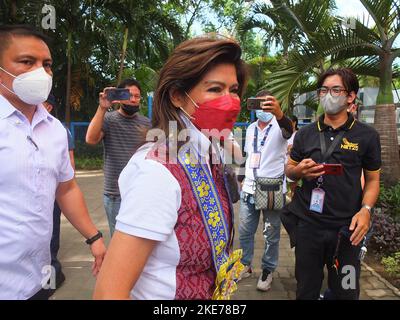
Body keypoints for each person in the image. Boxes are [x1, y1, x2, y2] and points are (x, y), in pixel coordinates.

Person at [93, 35, 248, 300]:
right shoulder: (156, 172)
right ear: (177, 96)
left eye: (233, 90)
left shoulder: (208, 153)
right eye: (214, 89)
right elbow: (109, 292)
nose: (230, 100)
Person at [0, 25, 106, 300]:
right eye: (27, 62)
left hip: (37, 280)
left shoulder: (55, 130)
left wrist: (94, 238)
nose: (41, 72)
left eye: (46, 64)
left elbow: (66, 189)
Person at [284, 68, 381, 300]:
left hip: (347, 232)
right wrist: (298, 171)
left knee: (346, 291)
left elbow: (373, 179)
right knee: (306, 290)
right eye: (324, 90)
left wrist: (366, 211)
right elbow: (289, 171)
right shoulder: (305, 134)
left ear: (351, 96)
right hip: (309, 227)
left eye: (336, 89)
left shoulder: (366, 136)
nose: (329, 95)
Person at [237, 90, 293, 291]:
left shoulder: (281, 126)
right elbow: (248, 154)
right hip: (249, 189)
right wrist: (241, 178)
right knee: (244, 232)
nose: (263, 108)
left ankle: (268, 270)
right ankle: (245, 265)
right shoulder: (251, 128)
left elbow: (288, 129)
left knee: (271, 233)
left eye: (267, 104)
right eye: (259, 104)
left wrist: (279, 114)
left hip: (272, 190)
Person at [86, 79, 151, 236]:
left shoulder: (147, 123)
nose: (134, 100)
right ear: (119, 97)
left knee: (141, 239)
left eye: (137, 96)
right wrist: (102, 108)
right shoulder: (108, 119)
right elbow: (91, 139)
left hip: (140, 192)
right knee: (118, 240)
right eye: (129, 95)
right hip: (115, 194)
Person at [43, 94, 75, 291]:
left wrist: (65, 188)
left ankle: (51, 273)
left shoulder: (58, 129)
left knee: (51, 231)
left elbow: (70, 162)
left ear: (49, 107)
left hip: (53, 192)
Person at [286, 115, 299, 199]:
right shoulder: (284, 133)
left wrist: (293, 148)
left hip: (293, 163)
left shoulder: (298, 134)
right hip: (282, 163)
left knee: (293, 185)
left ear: (294, 123)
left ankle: (294, 198)